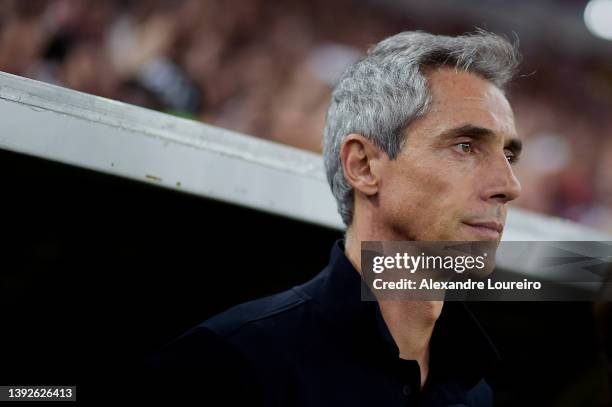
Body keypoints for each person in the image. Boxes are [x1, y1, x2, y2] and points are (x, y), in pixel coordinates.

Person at [147, 30, 523, 406]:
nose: (509, 185)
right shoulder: (231, 363)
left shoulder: (475, 392)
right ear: (362, 166)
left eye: (508, 155)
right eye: (465, 146)